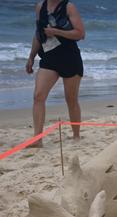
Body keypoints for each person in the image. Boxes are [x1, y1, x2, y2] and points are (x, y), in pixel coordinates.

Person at [25, 0, 85, 147]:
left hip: (69, 57)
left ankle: (76, 135)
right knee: (38, 96)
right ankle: (38, 139)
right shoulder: (41, 7)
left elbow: (81, 34)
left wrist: (57, 32)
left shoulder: (68, 7)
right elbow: (38, 34)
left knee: (71, 99)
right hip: (49, 58)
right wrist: (31, 57)